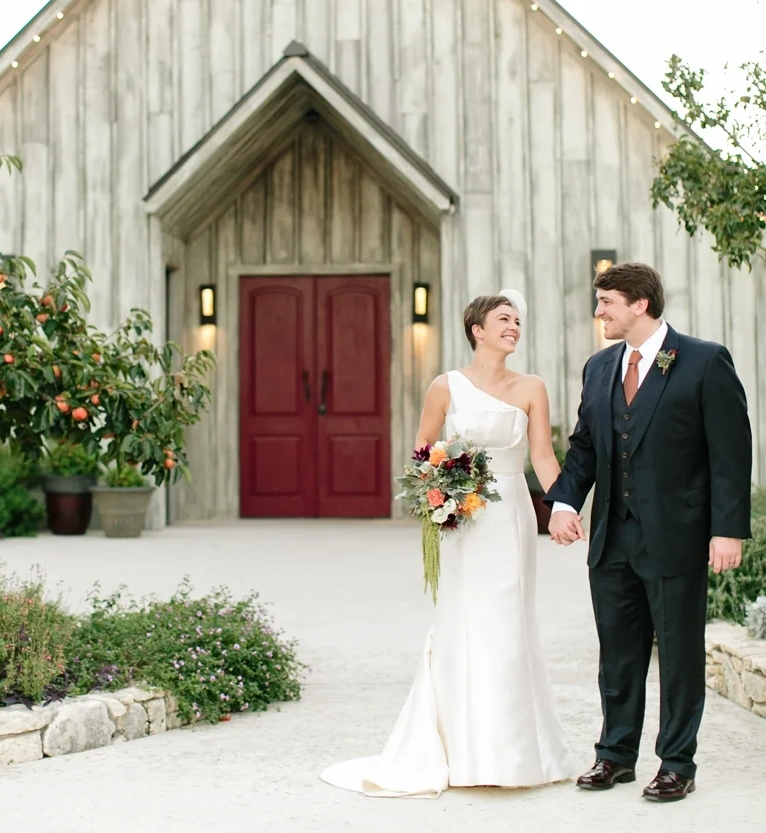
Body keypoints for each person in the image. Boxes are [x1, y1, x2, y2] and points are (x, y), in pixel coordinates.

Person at [321, 289, 572, 797]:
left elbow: (542, 456)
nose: (514, 327)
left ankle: (514, 751)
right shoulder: (446, 386)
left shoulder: (532, 388)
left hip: (513, 516)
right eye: (504, 319)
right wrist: (441, 494)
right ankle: (459, 749)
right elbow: (423, 452)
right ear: (476, 329)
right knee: (463, 620)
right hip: (465, 518)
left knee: (510, 620)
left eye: (518, 321)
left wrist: (565, 505)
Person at [547, 262, 751, 802]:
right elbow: (585, 446)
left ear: (640, 304)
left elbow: (730, 455)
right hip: (613, 537)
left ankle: (677, 763)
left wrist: (727, 530)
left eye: (607, 301)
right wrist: (564, 501)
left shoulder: (704, 362)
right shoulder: (598, 368)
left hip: (677, 536)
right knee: (617, 653)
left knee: (680, 654)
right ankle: (615, 756)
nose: (599, 312)